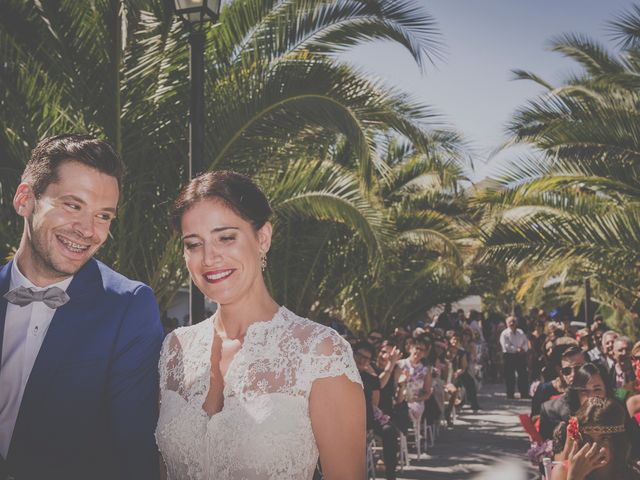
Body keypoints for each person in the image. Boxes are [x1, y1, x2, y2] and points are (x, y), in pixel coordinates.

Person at [156, 171, 365, 479]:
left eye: (226, 237)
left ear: (262, 238)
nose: (209, 257)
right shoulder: (175, 349)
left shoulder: (320, 352)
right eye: (193, 244)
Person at [0, 134, 164, 479]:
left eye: (103, 216)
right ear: (25, 200)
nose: (88, 230)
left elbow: (133, 454)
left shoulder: (128, 307)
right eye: (73, 206)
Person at [550, 397, 640, 480]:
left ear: (616, 442)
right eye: (588, 439)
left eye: (604, 439)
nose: (595, 448)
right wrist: (574, 477)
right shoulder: (563, 472)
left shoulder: (634, 473)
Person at [358, 341, 399, 480]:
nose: (362, 360)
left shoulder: (371, 378)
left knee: (389, 430)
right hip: (347, 420)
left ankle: (390, 474)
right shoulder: (341, 374)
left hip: (368, 418)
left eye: (366, 358)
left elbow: (374, 403)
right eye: (359, 355)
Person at [499, 315, 530, 399]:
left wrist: (523, 349)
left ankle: (524, 393)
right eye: (510, 322)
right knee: (510, 376)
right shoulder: (504, 333)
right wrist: (516, 349)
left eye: (514, 321)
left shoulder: (520, 332)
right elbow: (506, 346)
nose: (512, 323)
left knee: (523, 375)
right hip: (509, 356)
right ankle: (510, 394)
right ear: (507, 324)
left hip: (520, 356)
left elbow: (525, 342)